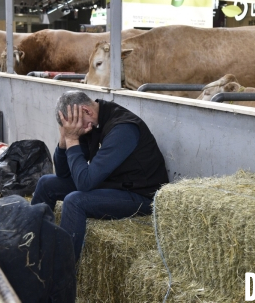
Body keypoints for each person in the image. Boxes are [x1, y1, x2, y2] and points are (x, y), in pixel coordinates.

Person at [31, 91, 169, 262]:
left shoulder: (123, 129)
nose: (73, 130)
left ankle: (61, 274)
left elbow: (85, 183)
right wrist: (64, 140)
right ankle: (28, 246)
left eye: (73, 125)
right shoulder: (91, 123)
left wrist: (73, 140)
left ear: (87, 111)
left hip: (141, 195)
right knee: (46, 183)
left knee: (75, 201)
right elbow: (63, 174)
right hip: (114, 185)